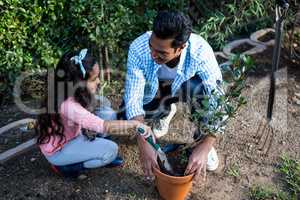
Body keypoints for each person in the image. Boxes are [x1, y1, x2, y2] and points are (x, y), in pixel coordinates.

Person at [118, 11, 224, 181]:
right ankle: (165, 112)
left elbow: (218, 100)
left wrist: (207, 144)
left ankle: (200, 139)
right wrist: (143, 140)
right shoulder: (138, 47)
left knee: (199, 87)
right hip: (154, 91)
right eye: (151, 46)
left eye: (161, 52)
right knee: (124, 115)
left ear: (181, 47)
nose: (153, 54)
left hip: (182, 89)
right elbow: (133, 97)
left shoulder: (201, 51)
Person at [36, 49, 153, 177]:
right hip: (59, 150)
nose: (98, 82)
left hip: (70, 135)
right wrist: (135, 124)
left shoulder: (68, 92)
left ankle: (90, 149)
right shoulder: (69, 106)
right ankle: (66, 167)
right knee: (111, 150)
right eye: (94, 79)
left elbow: (96, 113)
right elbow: (104, 126)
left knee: (108, 112)